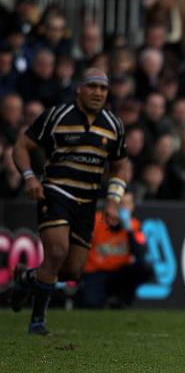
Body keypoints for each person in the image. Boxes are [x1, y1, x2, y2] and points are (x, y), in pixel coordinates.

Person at [10, 67, 129, 335]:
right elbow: (21, 147)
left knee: (71, 271)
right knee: (56, 251)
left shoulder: (114, 126)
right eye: (92, 87)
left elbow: (121, 167)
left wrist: (112, 201)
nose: (98, 93)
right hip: (55, 193)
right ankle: (37, 321)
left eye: (103, 88)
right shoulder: (56, 116)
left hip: (87, 203)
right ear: (80, 89)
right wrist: (29, 178)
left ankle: (26, 278)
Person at [78, 192, 153, 308]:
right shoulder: (96, 220)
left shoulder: (134, 225)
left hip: (120, 272)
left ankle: (122, 298)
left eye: (127, 204)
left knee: (145, 268)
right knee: (90, 304)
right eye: (120, 204)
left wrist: (128, 230)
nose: (123, 208)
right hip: (96, 271)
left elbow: (141, 256)